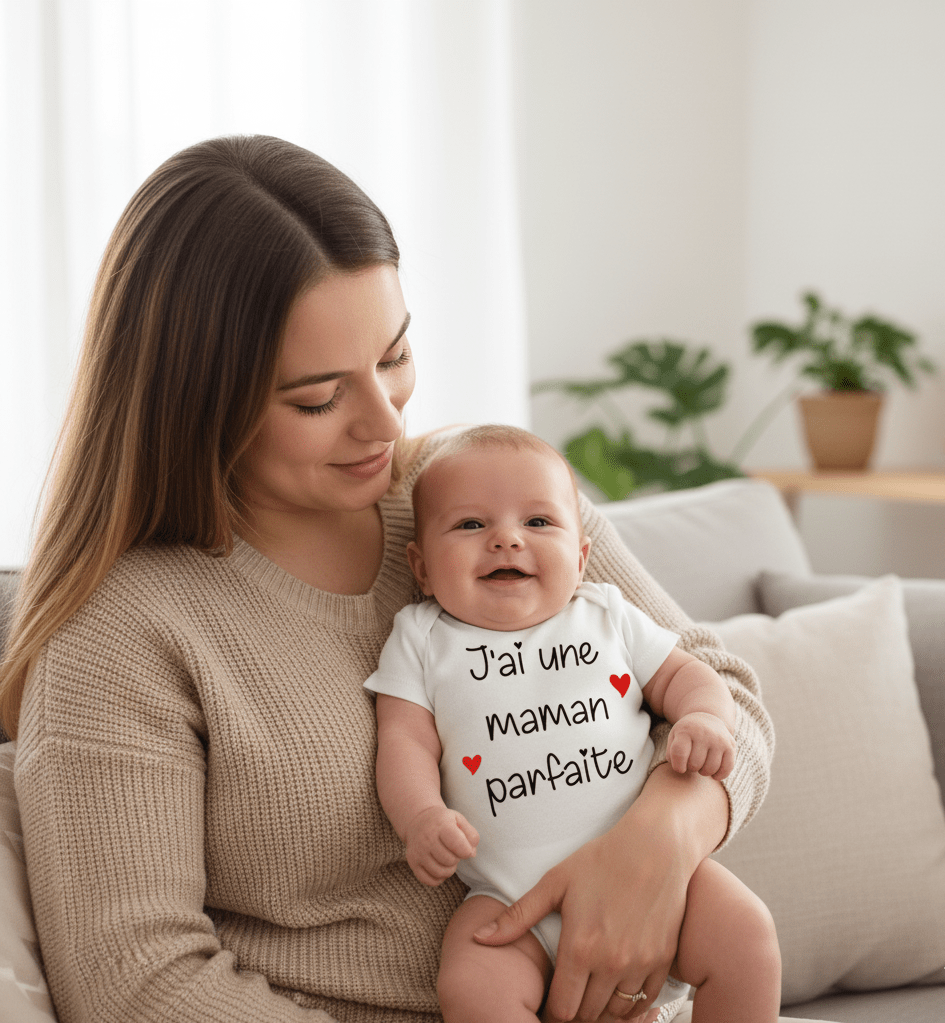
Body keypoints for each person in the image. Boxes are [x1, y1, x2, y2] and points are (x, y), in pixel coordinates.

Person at [0, 135, 775, 1023]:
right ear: (195, 400)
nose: (385, 421)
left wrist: (660, 839)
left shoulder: (487, 496)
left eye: (394, 356)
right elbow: (137, 982)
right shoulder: (119, 636)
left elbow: (727, 690)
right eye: (317, 397)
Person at [366, 426, 781, 1023]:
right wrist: (421, 817)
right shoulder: (421, 639)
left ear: (582, 558)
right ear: (423, 568)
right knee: (472, 986)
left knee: (747, 935)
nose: (507, 539)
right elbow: (404, 739)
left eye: (538, 522)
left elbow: (690, 674)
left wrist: (703, 718)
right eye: (471, 525)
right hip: (510, 898)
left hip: (652, 880)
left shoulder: (607, 614)